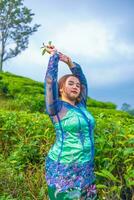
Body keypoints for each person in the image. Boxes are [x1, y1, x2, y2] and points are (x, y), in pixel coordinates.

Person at [44, 44, 97, 200]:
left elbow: (84, 82)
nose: (76, 87)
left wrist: (70, 63)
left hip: (86, 167)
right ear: (60, 89)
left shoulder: (82, 106)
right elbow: (49, 82)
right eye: (71, 84)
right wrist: (54, 57)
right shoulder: (56, 108)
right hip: (64, 167)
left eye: (77, 85)